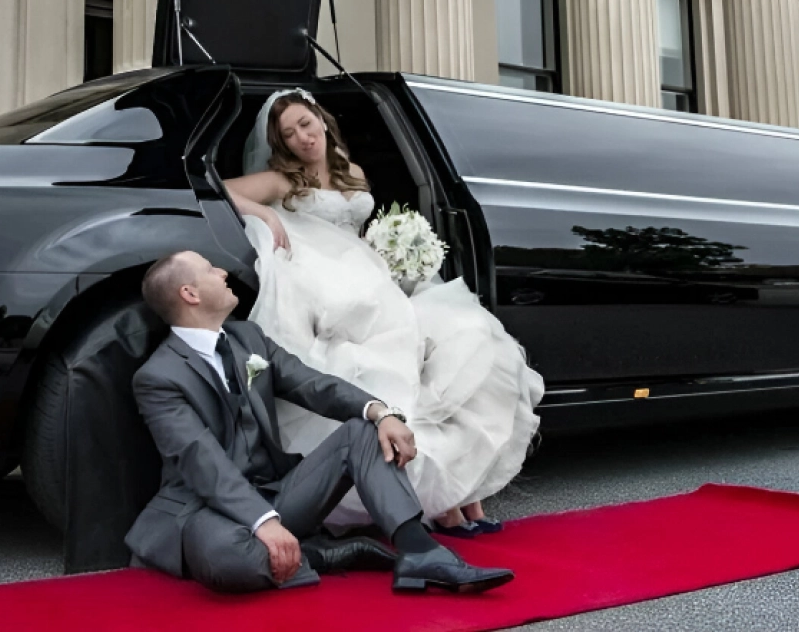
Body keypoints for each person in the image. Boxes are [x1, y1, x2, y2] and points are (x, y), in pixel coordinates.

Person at [224, 88, 544, 535]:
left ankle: (464, 497)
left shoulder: (350, 171)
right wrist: (268, 215)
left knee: (469, 339)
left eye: (306, 123)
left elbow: (358, 230)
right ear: (280, 143)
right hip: (332, 288)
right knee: (392, 372)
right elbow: (219, 191)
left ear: (320, 119)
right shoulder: (284, 180)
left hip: (374, 278)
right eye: (289, 133)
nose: (302, 137)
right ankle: (441, 506)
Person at [125, 250, 514, 594]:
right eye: (210, 270)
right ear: (189, 294)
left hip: (279, 492)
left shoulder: (248, 338)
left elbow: (313, 385)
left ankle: (421, 552)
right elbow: (201, 461)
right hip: (208, 510)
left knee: (363, 431)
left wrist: (382, 411)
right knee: (230, 561)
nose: (223, 273)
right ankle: (325, 554)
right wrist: (262, 521)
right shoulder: (158, 377)